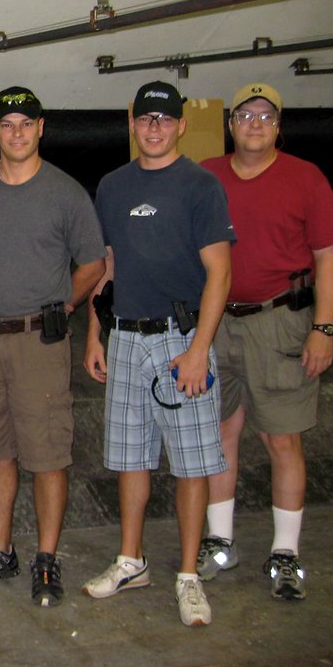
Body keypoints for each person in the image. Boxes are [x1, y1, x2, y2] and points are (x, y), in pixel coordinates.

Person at [82, 81, 235, 627]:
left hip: (181, 340)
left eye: (165, 119)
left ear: (181, 125)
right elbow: (107, 267)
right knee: (130, 457)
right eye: (145, 118)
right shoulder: (113, 186)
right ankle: (132, 561)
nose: (154, 128)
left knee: (192, 463)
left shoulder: (201, 186)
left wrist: (198, 350)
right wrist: (96, 333)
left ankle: (189, 575)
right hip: (125, 336)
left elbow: (220, 273)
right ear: (131, 123)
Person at [0, 87, 106, 607]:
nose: (16, 133)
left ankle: (46, 556)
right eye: (6, 124)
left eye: (25, 123)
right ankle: (0, 549)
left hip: (39, 341)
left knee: (46, 454)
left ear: (41, 128)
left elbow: (93, 263)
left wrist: (64, 304)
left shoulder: (65, 193)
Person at [196, 83, 333, 600]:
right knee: (220, 432)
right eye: (245, 115)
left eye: (265, 116)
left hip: (280, 322)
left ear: (279, 127)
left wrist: (323, 328)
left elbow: (328, 256)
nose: (254, 124)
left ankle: (285, 552)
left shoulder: (306, 178)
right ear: (230, 124)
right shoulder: (207, 176)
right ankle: (220, 541)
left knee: (282, 439)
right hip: (217, 321)